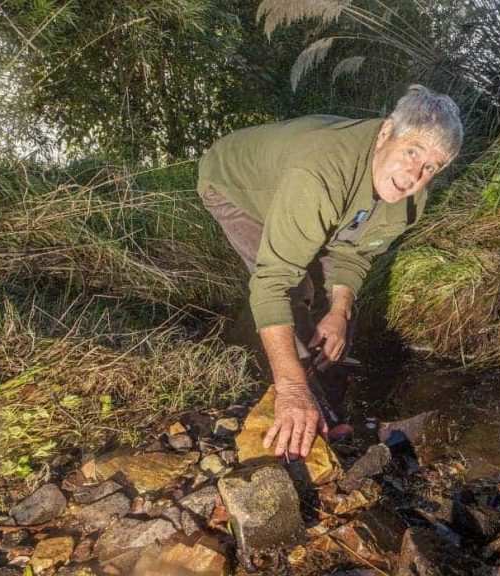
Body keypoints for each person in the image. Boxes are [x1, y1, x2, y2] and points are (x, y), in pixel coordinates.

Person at [198, 84, 463, 459]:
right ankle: (306, 399)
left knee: (335, 302)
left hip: (316, 196)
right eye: (411, 152)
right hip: (236, 186)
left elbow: (355, 254)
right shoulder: (320, 174)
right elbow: (273, 281)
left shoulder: (409, 200)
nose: (413, 177)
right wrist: (291, 389)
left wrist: (339, 312)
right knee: (296, 290)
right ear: (387, 132)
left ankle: (326, 381)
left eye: (430, 167)